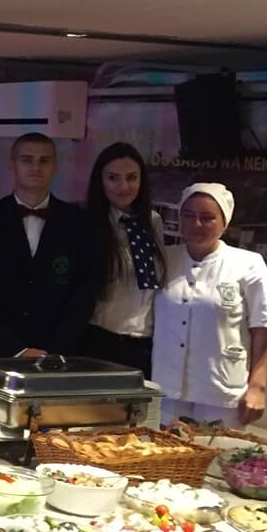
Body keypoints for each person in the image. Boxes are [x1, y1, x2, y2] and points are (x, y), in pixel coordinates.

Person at [154, 183, 267, 428]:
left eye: (207, 217)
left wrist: (257, 387)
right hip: (167, 390)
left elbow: (261, 332)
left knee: (218, 452)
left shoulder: (248, 264)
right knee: (163, 451)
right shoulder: (164, 259)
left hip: (221, 394)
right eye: (188, 215)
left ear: (225, 223)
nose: (196, 224)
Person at [0, 133, 99, 358]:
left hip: (59, 356)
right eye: (27, 160)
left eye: (44, 160)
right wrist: (15, 349)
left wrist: (53, 350)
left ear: (55, 166)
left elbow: (84, 293)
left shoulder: (79, 222)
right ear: (12, 164)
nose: (36, 167)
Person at [79, 142, 166, 376]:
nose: (123, 186)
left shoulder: (153, 221)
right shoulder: (86, 224)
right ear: (101, 181)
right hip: (100, 341)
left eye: (131, 178)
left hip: (145, 344)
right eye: (113, 178)